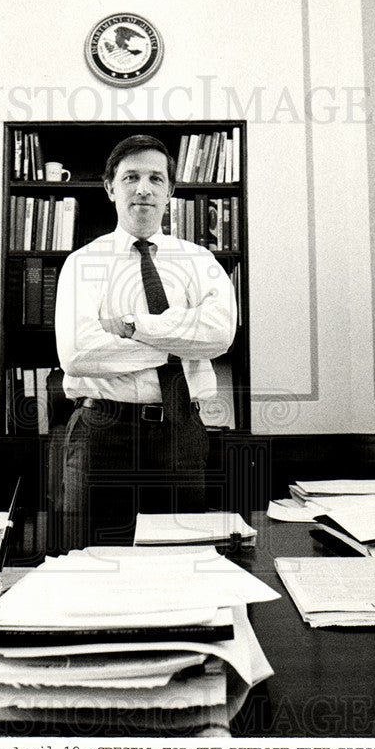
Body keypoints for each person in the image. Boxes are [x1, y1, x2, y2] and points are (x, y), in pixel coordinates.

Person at [55, 134, 237, 549]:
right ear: (110, 188)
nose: (143, 188)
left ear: (170, 191)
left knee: (181, 565)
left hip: (180, 433)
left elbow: (220, 335)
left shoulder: (199, 261)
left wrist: (133, 326)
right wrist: (183, 336)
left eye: (156, 178)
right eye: (130, 177)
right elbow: (79, 354)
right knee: (95, 563)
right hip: (102, 433)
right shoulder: (84, 263)